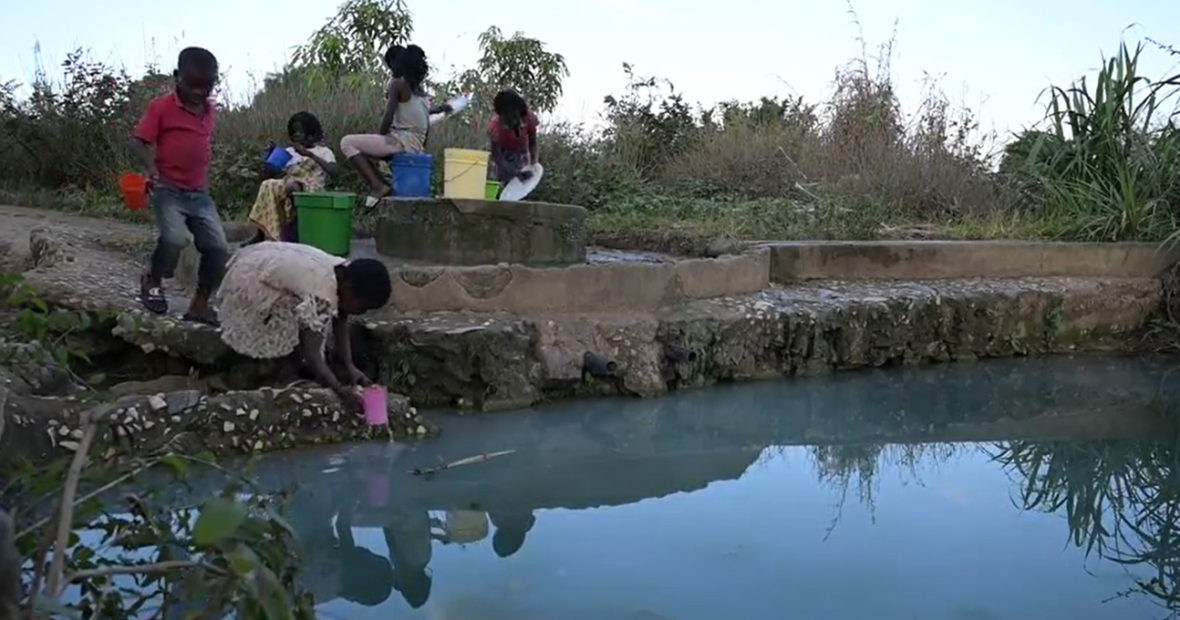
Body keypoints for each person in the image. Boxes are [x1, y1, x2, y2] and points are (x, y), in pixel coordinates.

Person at [215, 242, 392, 411]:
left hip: (267, 261)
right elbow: (312, 353)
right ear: (348, 288)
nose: (362, 312)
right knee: (300, 322)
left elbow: (341, 319)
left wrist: (349, 365)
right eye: (363, 306)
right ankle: (285, 377)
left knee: (310, 320)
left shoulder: (345, 273)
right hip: (252, 279)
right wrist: (340, 391)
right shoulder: (321, 289)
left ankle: (297, 371)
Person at [129, 47, 226, 325]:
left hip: (199, 193)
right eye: (193, 85)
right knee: (174, 239)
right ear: (176, 77)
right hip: (168, 188)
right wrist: (151, 168)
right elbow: (139, 141)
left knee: (217, 247)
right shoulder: (161, 107)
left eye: (206, 86)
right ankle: (153, 281)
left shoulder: (209, 110)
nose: (199, 92)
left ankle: (200, 304)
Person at [340, 44, 438, 208]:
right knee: (366, 155)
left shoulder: (397, 84)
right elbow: (425, 125)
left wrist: (382, 137)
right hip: (416, 144)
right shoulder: (421, 92)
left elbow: (388, 116)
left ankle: (378, 186)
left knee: (347, 142)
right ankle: (384, 184)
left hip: (400, 142)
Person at [247, 112, 338, 244]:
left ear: (311, 133)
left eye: (300, 132)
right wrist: (269, 157)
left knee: (292, 186)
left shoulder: (323, 152)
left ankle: (295, 229)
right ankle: (262, 233)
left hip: (313, 187)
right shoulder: (289, 152)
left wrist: (310, 155)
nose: (296, 135)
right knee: (268, 184)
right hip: (289, 183)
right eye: (293, 132)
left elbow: (334, 172)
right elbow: (269, 174)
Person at [488, 88, 540, 188]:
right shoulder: (495, 129)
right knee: (504, 190)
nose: (516, 119)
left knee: (525, 187)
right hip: (504, 160)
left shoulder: (529, 117)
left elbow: (532, 143)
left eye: (517, 115)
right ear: (503, 115)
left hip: (522, 156)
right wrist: (516, 173)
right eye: (510, 116)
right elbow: (497, 158)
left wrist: (533, 164)